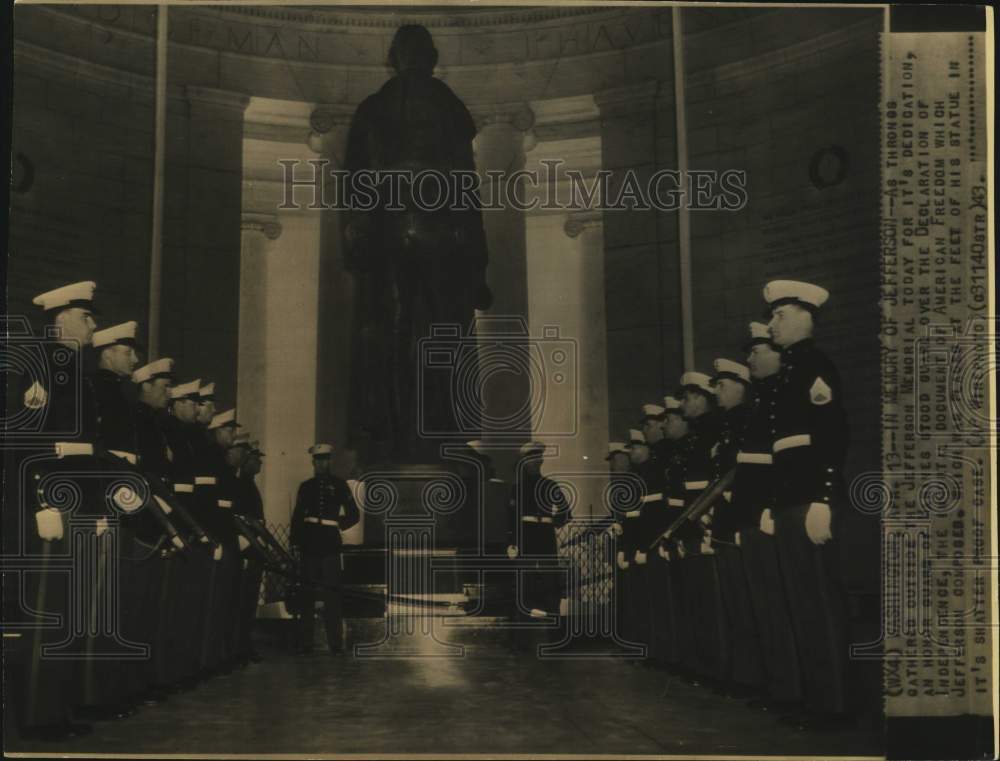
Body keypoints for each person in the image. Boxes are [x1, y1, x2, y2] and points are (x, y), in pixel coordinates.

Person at [343, 23, 491, 461]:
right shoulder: (448, 106)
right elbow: (467, 188)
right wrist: (478, 262)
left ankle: (393, 427)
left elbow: (355, 186)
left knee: (392, 333)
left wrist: (358, 243)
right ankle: (435, 429)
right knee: (438, 334)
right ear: (429, 58)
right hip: (439, 238)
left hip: (395, 236)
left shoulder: (373, 109)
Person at [10, 281, 100, 741]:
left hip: (74, 503)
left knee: (65, 612)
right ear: (62, 318)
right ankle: (36, 715)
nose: (93, 325)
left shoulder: (73, 369)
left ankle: (56, 709)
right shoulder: (39, 365)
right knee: (45, 613)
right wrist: (43, 500)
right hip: (49, 507)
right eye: (87, 317)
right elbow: (25, 442)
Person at [763, 279, 850, 727]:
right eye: (774, 315)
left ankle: (832, 706)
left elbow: (832, 436)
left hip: (809, 500)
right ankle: (811, 699)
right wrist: (773, 505)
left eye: (780, 315)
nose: (773, 323)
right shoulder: (788, 372)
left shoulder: (815, 364)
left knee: (818, 604)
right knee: (798, 604)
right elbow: (782, 449)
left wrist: (824, 498)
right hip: (788, 500)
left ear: (805, 316)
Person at [738, 321, 802, 711]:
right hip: (761, 512)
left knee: (786, 607)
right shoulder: (762, 403)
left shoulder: (779, 397)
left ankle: (795, 692)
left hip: (778, 510)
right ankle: (781, 689)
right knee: (766, 610)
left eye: (758, 351)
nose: (751, 359)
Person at [707, 358, 763, 697]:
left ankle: (756, 679)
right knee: (733, 602)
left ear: (741, 386)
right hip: (726, 520)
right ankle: (742, 676)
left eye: (722, 385)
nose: (717, 392)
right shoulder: (726, 426)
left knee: (750, 601)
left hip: (745, 517)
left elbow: (747, 475)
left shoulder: (748, 421)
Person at [290, 444, 360, 655]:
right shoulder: (306, 487)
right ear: (313, 462)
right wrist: (295, 542)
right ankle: (306, 642)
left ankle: (335, 643)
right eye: (318, 460)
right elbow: (297, 517)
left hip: (330, 544)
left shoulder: (339, 485)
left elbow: (354, 514)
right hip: (309, 544)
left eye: (326, 459)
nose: (322, 463)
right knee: (307, 595)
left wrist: (338, 523)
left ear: (330, 461)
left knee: (332, 595)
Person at [506, 441, 570, 648]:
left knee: (551, 589)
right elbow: (511, 518)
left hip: (544, 540)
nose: (534, 464)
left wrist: (551, 521)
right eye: (530, 460)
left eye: (537, 459)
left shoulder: (550, 485)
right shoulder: (517, 489)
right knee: (524, 589)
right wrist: (512, 543)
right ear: (524, 463)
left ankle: (556, 638)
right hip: (526, 541)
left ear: (541, 461)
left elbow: (565, 513)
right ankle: (521, 640)